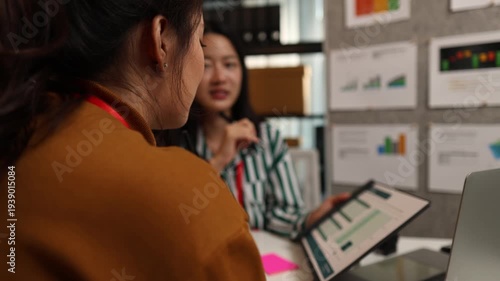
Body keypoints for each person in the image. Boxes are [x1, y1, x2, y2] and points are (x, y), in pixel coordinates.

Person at [0, 1, 265, 280]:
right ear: (160, 40)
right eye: (200, 43)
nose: (215, 76)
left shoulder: (18, 136)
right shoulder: (188, 198)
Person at [156, 21, 350, 240]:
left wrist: (313, 219)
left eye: (229, 65)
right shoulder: (171, 141)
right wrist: (219, 160)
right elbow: (172, 219)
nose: (220, 78)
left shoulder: (267, 137)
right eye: (207, 65)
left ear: (242, 73)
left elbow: (286, 217)